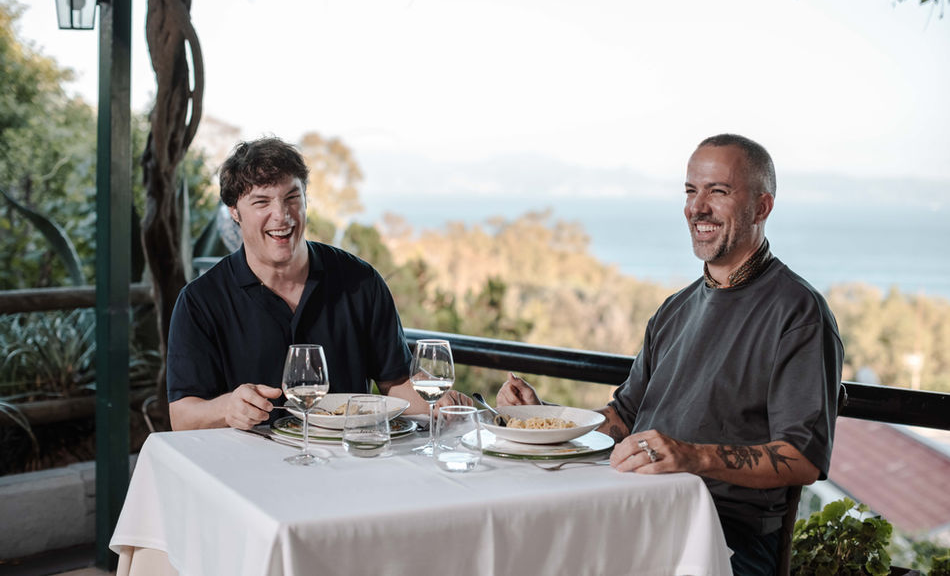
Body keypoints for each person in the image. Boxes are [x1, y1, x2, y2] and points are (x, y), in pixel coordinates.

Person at [497, 134, 843, 576]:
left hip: (725, 538)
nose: (697, 208)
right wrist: (546, 420)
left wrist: (691, 456)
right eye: (690, 191)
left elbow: (803, 458)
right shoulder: (675, 309)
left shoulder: (798, 312)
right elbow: (622, 417)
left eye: (718, 191)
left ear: (762, 208)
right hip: (636, 511)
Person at [167, 136, 468, 431]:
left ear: (306, 198)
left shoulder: (360, 282)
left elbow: (395, 384)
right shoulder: (200, 301)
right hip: (247, 471)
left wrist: (446, 403)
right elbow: (182, 416)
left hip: (349, 464)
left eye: (292, 198)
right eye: (262, 202)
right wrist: (227, 408)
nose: (282, 216)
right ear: (234, 212)